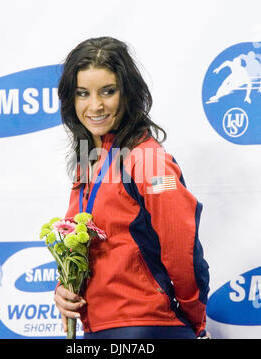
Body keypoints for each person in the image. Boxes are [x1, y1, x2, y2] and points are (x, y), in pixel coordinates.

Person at [54, 36, 210, 339]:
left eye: (108, 92)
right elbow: (77, 244)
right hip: (100, 329)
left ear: (128, 93)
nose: (95, 105)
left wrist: (195, 318)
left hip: (150, 325)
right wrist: (63, 289)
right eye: (83, 93)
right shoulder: (90, 163)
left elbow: (181, 249)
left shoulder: (149, 162)